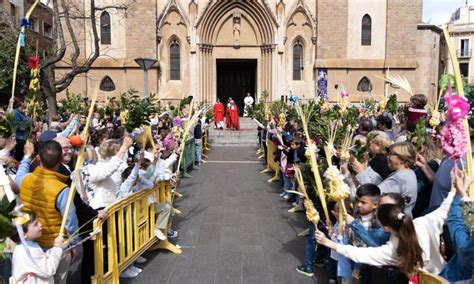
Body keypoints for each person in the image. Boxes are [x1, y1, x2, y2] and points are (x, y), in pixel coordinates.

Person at [315, 170, 469, 278]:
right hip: (445, 276)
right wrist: (456, 191)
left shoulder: (393, 249)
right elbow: (444, 210)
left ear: (385, 228)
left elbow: (361, 254)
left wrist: (329, 243)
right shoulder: (422, 222)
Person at [17, 140, 79, 284]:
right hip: (55, 248)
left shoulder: (25, 180)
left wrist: (27, 157)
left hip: (31, 243)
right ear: (60, 160)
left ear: (38, 158)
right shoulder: (63, 190)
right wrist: (73, 244)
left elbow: (19, 174)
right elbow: (71, 222)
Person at [11, 212, 64, 283]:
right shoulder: (30, 252)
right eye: (35, 224)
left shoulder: (21, 247)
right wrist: (57, 248)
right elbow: (48, 270)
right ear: (23, 234)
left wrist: (49, 253)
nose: (40, 224)